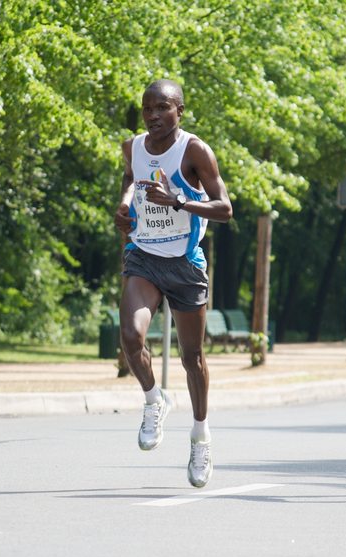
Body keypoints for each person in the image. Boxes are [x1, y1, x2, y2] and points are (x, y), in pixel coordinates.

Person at [114, 79, 232, 488]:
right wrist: (126, 203)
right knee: (130, 336)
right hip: (144, 255)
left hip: (184, 262)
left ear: (180, 110)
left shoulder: (195, 150)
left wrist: (179, 202)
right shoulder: (133, 145)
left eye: (162, 108)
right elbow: (132, 178)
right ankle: (153, 399)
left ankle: (200, 436)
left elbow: (225, 208)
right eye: (147, 108)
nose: (153, 116)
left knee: (191, 358)